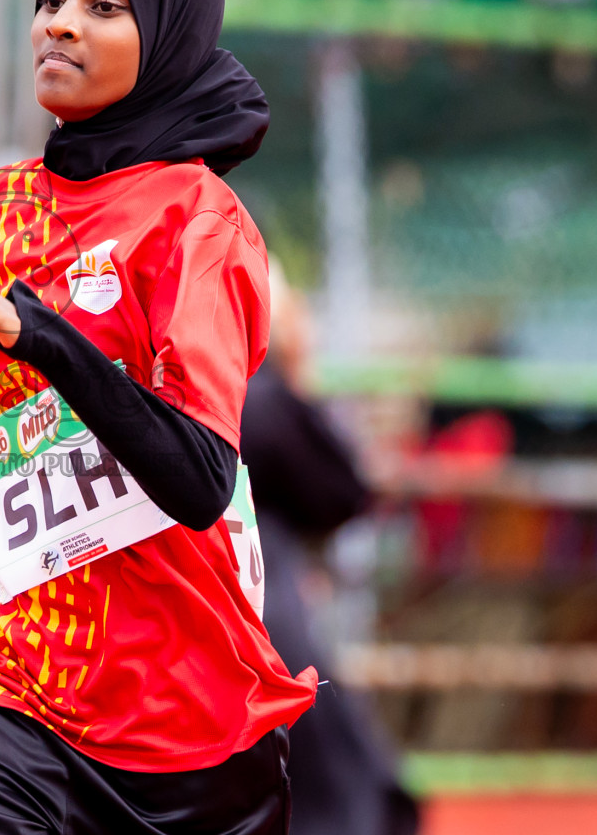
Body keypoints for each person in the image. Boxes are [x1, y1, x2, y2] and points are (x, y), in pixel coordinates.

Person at [0, 0, 317, 835]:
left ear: (167, 39)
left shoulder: (200, 223)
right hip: (17, 678)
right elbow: (23, 439)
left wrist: (42, 335)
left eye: (103, 5)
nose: (60, 23)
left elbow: (199, 478)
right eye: (50, 0)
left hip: (185, 724)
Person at [239, 272, 419, 835]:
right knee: (347, 784)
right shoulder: (258, 393)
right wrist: (298, 370)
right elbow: (344, 489)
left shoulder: (148, 384)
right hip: (254, 611)